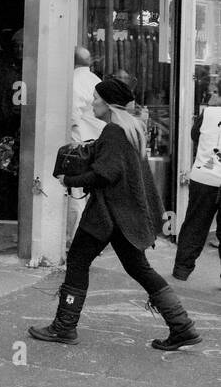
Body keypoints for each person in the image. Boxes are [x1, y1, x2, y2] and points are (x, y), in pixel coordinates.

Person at [31, 78, 201, 351]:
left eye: (96, 98)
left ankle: (64, 326)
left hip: (108, 214)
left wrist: (69, 179)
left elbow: (106, 173)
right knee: (139, 268)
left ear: (108, 103)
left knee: (77, 261)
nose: (92, 102)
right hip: (126, 214)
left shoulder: (113, 131)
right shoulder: (131, 129)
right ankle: (182, 327)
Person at [174, 104, 221, 282]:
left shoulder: (208, 112)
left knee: (195, 224)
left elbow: (195, 136)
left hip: (203, 177)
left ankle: (181, 270)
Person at [71, 46, 104, 143]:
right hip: (98, 135)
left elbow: (73, 115)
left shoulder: (74, 80)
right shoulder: (96, 80)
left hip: (82, 138)